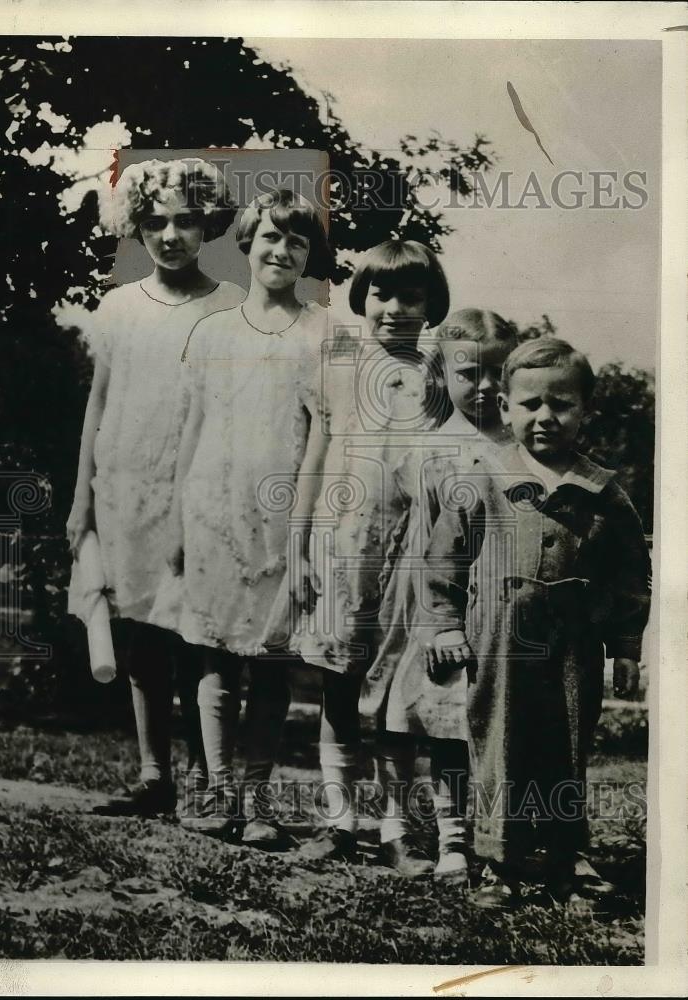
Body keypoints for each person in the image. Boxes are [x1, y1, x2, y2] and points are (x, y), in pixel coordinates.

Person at [419, 337, 651, 908]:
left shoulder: (604, 492)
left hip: (574, 646)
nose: (545, 417)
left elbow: (630, 575)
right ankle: (497, 860)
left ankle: (567, 856)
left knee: (565, 747)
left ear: (586, 412)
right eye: (529, 405)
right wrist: (446, 626)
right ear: (505, 408)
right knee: (500, 744)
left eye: (562, 404)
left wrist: (625, 647)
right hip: (497, 644)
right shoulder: (481, 478)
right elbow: (444, 561)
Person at [150, 188, 333, 845]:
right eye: (269, 238)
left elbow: (321, 438)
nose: (280, 251)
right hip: (211, 511)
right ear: (248, 243)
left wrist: (304, 532)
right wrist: (176, 517)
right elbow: (191, 426)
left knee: (271, 662)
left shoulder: (322, 332)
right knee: (213, 661)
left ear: (309, 255)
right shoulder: (213, 330)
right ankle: (218, 795)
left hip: (283, 518)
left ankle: (256, 800)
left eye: (296, 241)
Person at [66, 158, 244, 817]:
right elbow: (98, 404)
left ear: (208, 225)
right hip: (126, 488)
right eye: (155, 223)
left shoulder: (230, 305)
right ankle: (152, 775)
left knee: (203, 633)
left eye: (186, 221)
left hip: (202, 491)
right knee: (141, 631)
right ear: (137, 229)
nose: (171, 235)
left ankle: (209, 780)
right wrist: (81, 499)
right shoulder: (117, 308)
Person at [291, 239, 450, 871]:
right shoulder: (337, 364)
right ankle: (338, 822)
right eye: (382, 294)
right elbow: (311, 461)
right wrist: (299, 546)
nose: (394, 309)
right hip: (342, 552)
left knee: (391, 698)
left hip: (409, 562)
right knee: (338, 689)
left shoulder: (442, 377)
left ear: (431, 304)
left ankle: (395, 831)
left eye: (411, 296)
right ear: (363, 298)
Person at [364, 308, 517, 886]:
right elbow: (409, 525)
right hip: (417, 598)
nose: (484, 387)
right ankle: (394, 828)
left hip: (480, 602)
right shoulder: (430, 443)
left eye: (498, 373)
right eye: (468, 374)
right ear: (442, 375)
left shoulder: (516, 447)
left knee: (455, 721)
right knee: (399, 714)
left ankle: (457, 841)